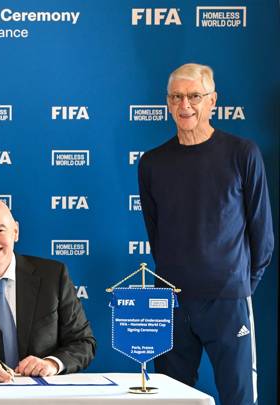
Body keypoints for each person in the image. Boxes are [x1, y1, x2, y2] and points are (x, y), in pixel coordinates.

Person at [138, 63, 273, 405]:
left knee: (239, 397)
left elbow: (263, 235)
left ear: (212, 100)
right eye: (177, 97)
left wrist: (239, 284)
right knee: (169, 398)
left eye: (195, 96)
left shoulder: (243, 153)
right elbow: (156, 233)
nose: (185, 105)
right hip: (171, 302)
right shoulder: (152, 163)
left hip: (228, 300)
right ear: (168, 103)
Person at [0, 198, 95, 382]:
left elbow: (83, 343)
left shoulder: (53, 276)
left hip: (45, 395)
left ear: (15, 231)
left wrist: (51, 364)